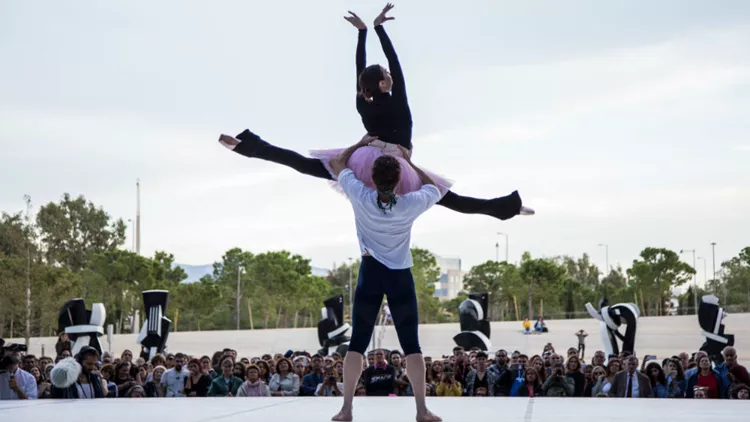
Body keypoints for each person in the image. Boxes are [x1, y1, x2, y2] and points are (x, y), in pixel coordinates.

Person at [219, 4, 533, 222]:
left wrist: (362, 34)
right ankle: (509, 209)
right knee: (452, 200)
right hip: (398, 162)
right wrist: (378, 30)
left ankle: (245, 145)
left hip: (363, 157)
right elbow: (395, 65)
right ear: (384, 82)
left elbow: (361, 72)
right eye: (388, 75)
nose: (393, 76)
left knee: (302, 164)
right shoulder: (397, 101)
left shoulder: (362, 102)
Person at [313, 134, 441, 421]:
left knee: (357, 342)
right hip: (400, 278)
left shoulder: (360, 195)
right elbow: (432, 187)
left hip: (370, 274)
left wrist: (360, 143)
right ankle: (421, 410)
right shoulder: (410, 204)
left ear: (371, 176)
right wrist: (410, 162)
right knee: (412, 345)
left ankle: (346, 409)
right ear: (399, 180)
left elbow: (336, 161)